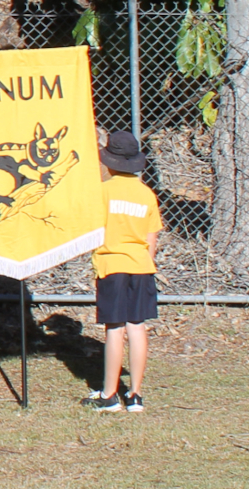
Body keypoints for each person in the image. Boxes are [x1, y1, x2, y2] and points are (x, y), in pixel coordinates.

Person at [85, 131, 161, 412]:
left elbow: (92, 230)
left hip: (112, 265)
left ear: (109, 162)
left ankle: (109, 395)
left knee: (114, 329)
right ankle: (136, 395)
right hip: (141, 267)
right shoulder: (147, 195)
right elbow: (152, 239)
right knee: (137, 326)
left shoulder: (103, 192)